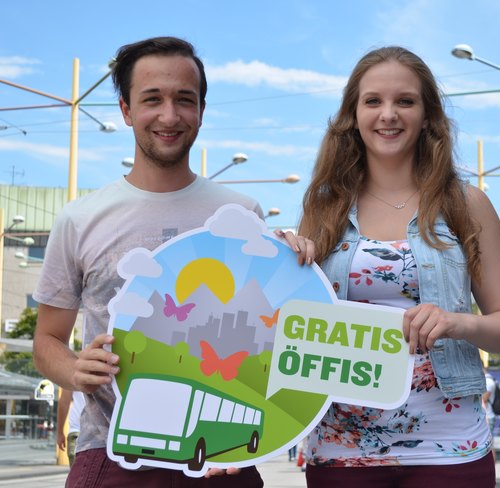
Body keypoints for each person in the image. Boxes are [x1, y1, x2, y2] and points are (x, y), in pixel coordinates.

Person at [33, 36, 314, 488]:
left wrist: (295, 264)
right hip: (111, 453)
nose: (169, 116)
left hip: (223, 460)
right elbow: (47, 339)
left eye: (185, 100)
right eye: (152, 100)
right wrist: (72, 369)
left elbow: (276, 330)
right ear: (126, 110)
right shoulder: (79, 218)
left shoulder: (244, 214)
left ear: (201, 110)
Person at [298, 46, 500, 488]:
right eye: (373, 101)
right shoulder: (322, 209)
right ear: (352, 115)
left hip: (451, 449)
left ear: (427, 116)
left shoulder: (466, 205)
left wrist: (457, 323)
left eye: (405, 101)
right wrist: (282, 262)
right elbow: (292, 320)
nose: (389, 115)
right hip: (342, 450)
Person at [56, 388, 86, 467]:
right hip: (103, 432)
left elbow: (64, 401)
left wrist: (60, 433)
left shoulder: (72, 375)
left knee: (77, 475)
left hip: (77, 430)